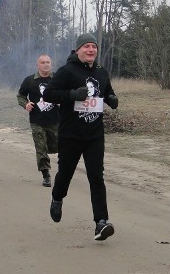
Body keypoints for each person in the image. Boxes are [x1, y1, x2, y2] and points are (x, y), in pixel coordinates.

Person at [43, 34, 119, 241]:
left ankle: (101, 222)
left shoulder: (102, 72)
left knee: (96, 177)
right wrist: (71, 95)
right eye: (86, 46)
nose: (91, 50)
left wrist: (112, 99)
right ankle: (57, 198)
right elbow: (48, 94)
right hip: (70, 135)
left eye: (94, 47)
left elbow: (108, 92)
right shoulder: (67, 71)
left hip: (94, 135)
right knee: (65, 173)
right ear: (78, 50)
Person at [17, 54, 60, 187]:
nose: (45, 64)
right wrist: (26, 104)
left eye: (48, 62)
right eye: (42, 62)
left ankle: (63, 171)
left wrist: (63, 101)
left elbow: (66, 92)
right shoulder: (30, 80)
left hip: (56, 121)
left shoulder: (58, 79)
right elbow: (21, 95)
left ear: (51, 64)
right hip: (37, 121)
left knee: (59, 147)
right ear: (38, 65)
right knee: (41, 148)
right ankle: (45, 175)